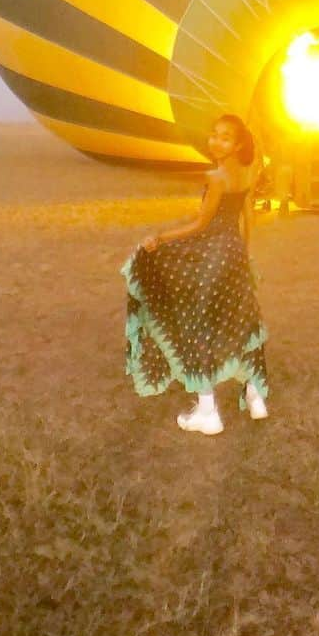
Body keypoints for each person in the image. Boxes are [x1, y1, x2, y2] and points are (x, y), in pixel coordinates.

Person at [121, 114, 269, 435]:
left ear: (238, 143)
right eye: (213, 135)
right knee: (241, 322)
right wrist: (244, 253)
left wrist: (160, 239)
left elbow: (200, 225)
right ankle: (255, 396)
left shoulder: (216, 177)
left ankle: (207, 411)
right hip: (234, 255)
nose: (216, 141)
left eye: (225, 137)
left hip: (212, 254)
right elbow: (248, 216)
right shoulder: (248, 171)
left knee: (199, 325)